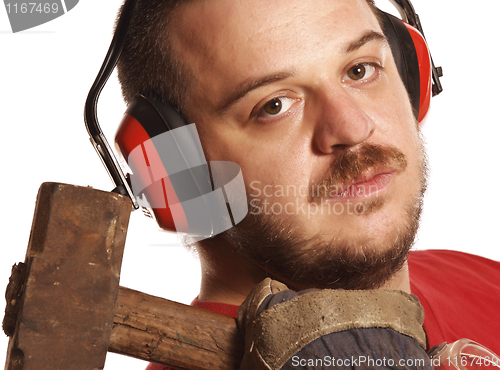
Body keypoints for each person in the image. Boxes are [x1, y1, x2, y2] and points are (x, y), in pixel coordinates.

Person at [112, 0, 500, 368]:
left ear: (412, 75)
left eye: (360, 70)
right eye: (274, 105)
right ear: (177, 175)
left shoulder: (485, 282)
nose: (353, 127)